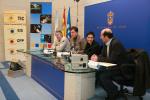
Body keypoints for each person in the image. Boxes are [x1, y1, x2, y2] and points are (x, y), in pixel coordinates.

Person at [91, 28, 134, 100]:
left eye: (101, 36)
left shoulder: (116, 43)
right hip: (113, 68)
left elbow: (112, 60)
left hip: (121, 68)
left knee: (103, 76)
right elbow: (103, 55)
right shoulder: (106, 44)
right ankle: (113, 91)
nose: (100, 37)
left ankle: (113, 94)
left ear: (106, 37)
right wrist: (96, 57)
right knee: (98, 74)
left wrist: (98, 59)